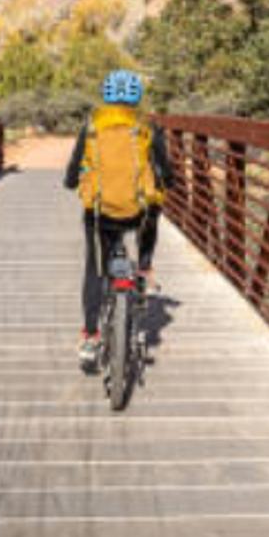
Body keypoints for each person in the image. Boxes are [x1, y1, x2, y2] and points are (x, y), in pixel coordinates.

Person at [64, 68, 173, 366]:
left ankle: (90, 335)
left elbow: (73, 173)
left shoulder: (92, 127)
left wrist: (73, 181)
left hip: (100, 214)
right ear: (136, 98)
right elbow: (166, 172)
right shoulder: (147, 128)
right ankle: (146, 267)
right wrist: (166, 183)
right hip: (137, 214)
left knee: (94, 270)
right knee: (154, 206)